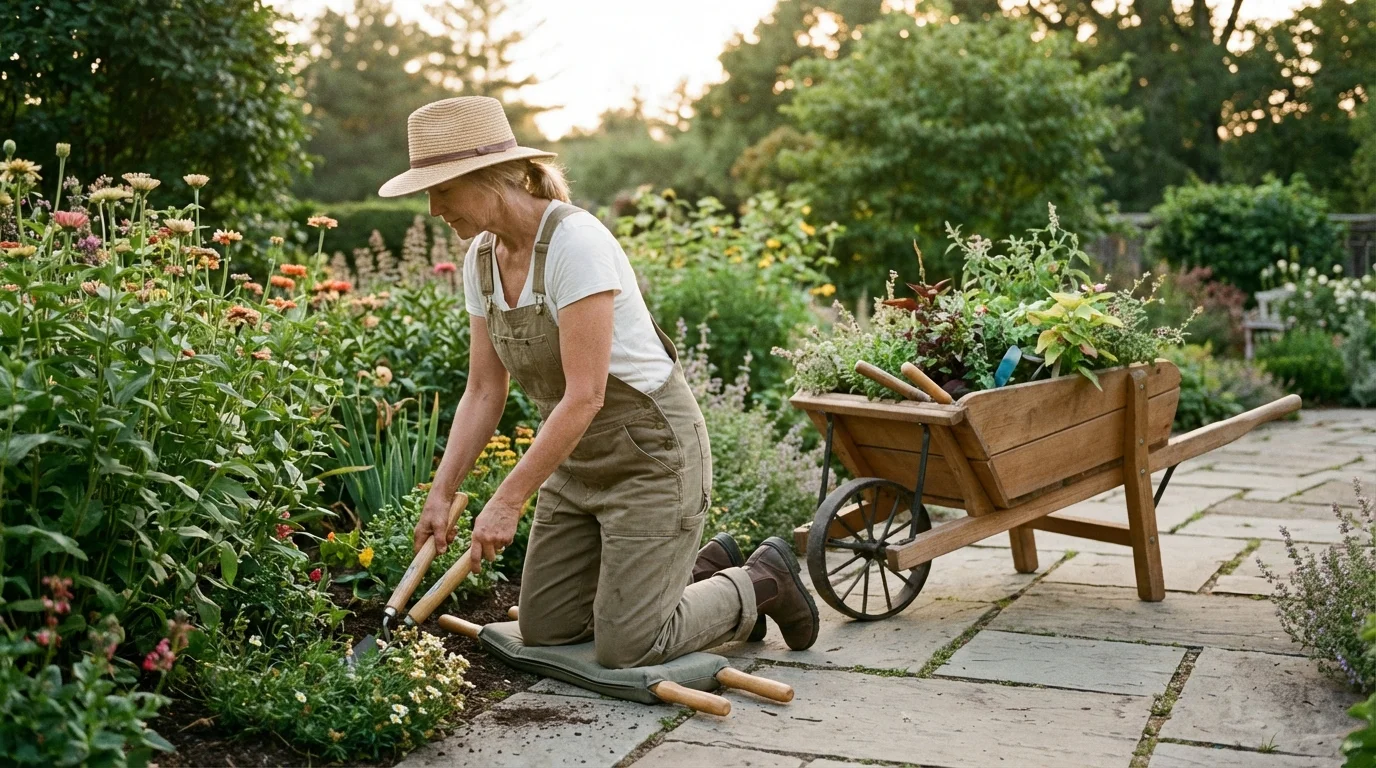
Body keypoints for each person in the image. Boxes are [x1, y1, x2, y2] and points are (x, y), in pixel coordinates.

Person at [378, 96, 819, 668]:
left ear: (486, 178)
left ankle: (761, 579)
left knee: (629, 647)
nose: (434, 208)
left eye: (441, 189)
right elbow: (484, 391)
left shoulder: (575, 244)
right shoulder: (481, 260)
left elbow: (586, 395)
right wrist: (441, 494)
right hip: (577, 464)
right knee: (546, 630)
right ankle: (698, 570)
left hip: (651, 458)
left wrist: (508, 501)